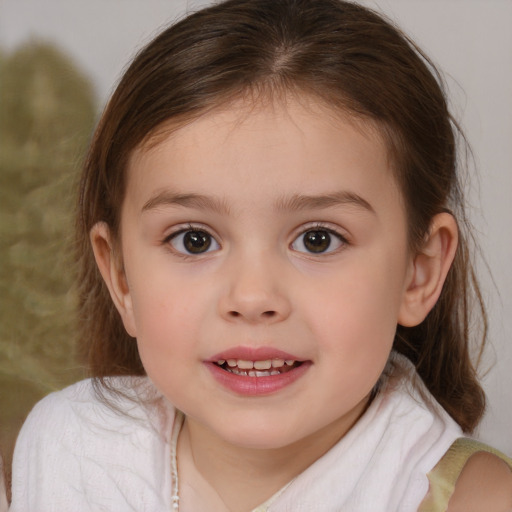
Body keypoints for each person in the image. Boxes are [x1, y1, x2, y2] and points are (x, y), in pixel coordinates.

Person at [8, 0, 512, 510]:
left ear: (418, 273)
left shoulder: (477, 500)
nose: (252, 297)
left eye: (318, 239)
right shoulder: (67, 447)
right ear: (120, 277)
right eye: (194, 240)